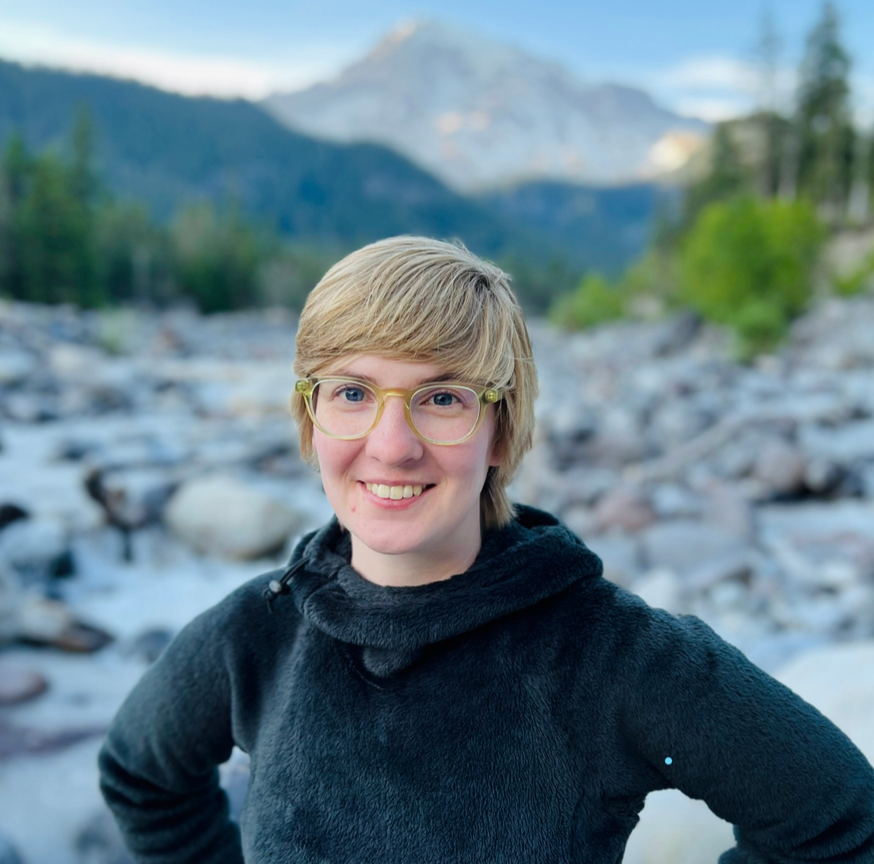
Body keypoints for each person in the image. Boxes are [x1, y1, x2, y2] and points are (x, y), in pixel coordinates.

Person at [99, 236, 874, 864]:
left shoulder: (611, 657)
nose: (391, 445)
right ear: (310, 419)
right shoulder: (256, 634)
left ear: (500, 430)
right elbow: (141, 777)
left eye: (442, 397)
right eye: (353, 393)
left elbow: (840, 824)